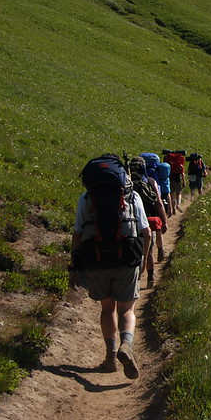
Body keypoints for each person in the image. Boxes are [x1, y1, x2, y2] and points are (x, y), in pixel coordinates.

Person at [69, 154, 151, 379]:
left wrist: (73, 268)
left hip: (96, 259)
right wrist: (143, 259)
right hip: (127, 258)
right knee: (127, 309)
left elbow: (77, 235)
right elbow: (146, 232)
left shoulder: (86, 198)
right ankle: (127, 344)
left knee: (107, 308)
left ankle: (109, 357)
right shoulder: (132, 196)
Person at [129, 156, 168, 287]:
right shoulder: (150, 181)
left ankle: (130, 280)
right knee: (149, 251)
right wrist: (164, 221)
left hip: (128, 221)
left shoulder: (125, 183)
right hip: (147, 221)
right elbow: (158, 202)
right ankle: (150, 277)